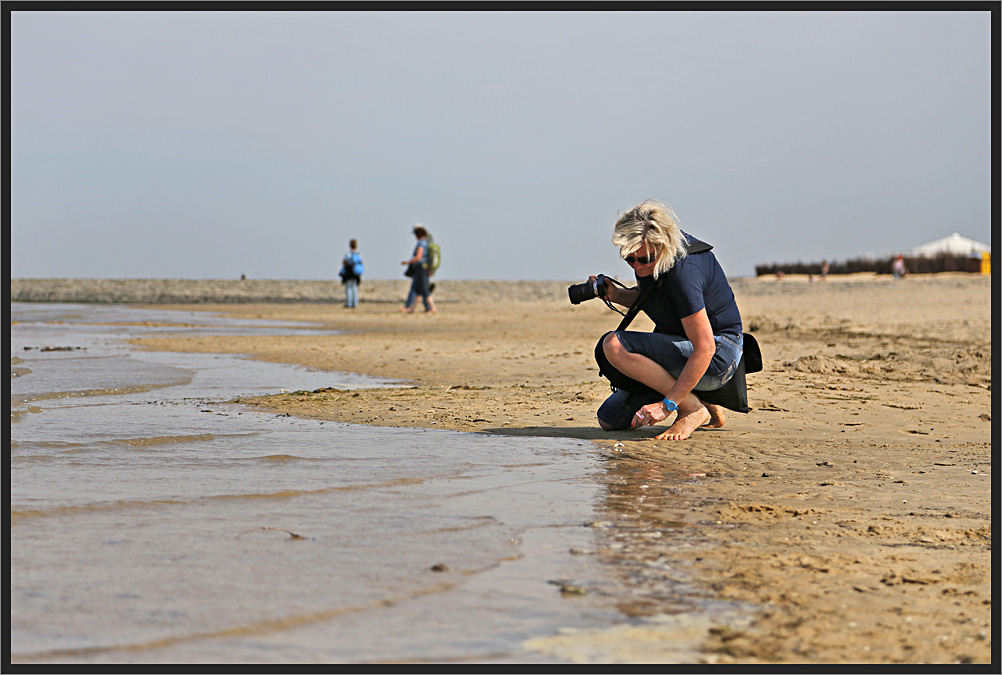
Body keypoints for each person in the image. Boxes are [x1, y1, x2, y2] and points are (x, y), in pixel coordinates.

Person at [593, 199, 744, 441]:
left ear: (663, 245)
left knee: (614, 345)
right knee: (610, 420)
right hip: (683, 348)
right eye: (630, 260)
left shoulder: (685, 273)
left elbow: (705, 347)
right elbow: (657, 298)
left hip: (718, 356)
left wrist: (668, 406)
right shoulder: (655, 257)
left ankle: (691, 409)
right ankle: (700, 399)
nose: (637, 267)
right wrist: (616, 295)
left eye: (644, 260)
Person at [400, 225, 437, 314]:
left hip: (421, 269)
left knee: (424, 290)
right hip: (424, 269)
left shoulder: (421, 243)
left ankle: (432, 308)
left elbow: (418, 257)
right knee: (418, 290)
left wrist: (408, 262)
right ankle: (412, 309)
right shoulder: (427, 242)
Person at [339, 239, 363, 308]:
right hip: (356, 273)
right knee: (354, 288)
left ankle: (349, 303)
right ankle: (355, 303)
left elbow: (344, 262)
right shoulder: (358, 254)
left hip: (349, 272)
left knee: (349, 288)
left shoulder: (348, 254)